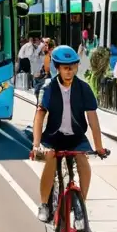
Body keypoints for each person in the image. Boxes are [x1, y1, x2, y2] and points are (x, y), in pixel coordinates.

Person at [31, 45, 108, 222]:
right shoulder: (48, 88)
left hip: (76, 137)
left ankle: (81, 203)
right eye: (65, 67)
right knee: (50, 157)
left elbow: (93, 120)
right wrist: (36, 145)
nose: (69, 71)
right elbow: (39, 116)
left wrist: (99, 147)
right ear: (57, 68)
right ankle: (43, 204)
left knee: (83, 162)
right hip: (53, 137)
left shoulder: (84, 88)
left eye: (72, 67)